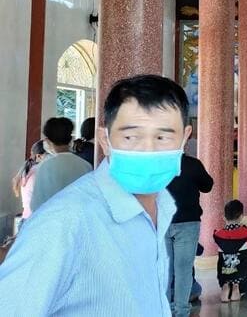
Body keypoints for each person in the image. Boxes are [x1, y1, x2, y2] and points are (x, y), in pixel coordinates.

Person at [0, 74, 191, 315]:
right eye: (131, 137)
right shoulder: (62, 224)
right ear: (105, 139)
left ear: (184, 138)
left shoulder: (163, 206)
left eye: (163, 137)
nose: (148, 150)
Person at [166, 150, 214, 316]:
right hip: (187, 223)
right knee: (183, 270)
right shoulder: (193, 165)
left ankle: (165, 309)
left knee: (165, 270)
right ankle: (181, 311)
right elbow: (207, 185)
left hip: (162, 222)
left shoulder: (156, 164)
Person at [30, 117, 92, 213]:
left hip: (52, 218)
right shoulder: (86, 165)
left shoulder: (44, 166)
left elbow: (36, 205)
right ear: (70, 138)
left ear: (47, 141)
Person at [214, 199, 247, 302]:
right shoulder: (246, 232)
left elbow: (216, 241)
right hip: (241, 272)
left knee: (224, 268)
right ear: (241, 216)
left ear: (224, 217)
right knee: (242, 277)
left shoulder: (218, 235)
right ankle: (236, 287)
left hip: (224, 272)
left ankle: (225, 287)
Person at [11, 140, 46, 225]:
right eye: (50, 155)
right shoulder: (40, 171)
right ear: (39, 156)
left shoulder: (30, 170)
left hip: (27, 219)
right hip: (36, 221)